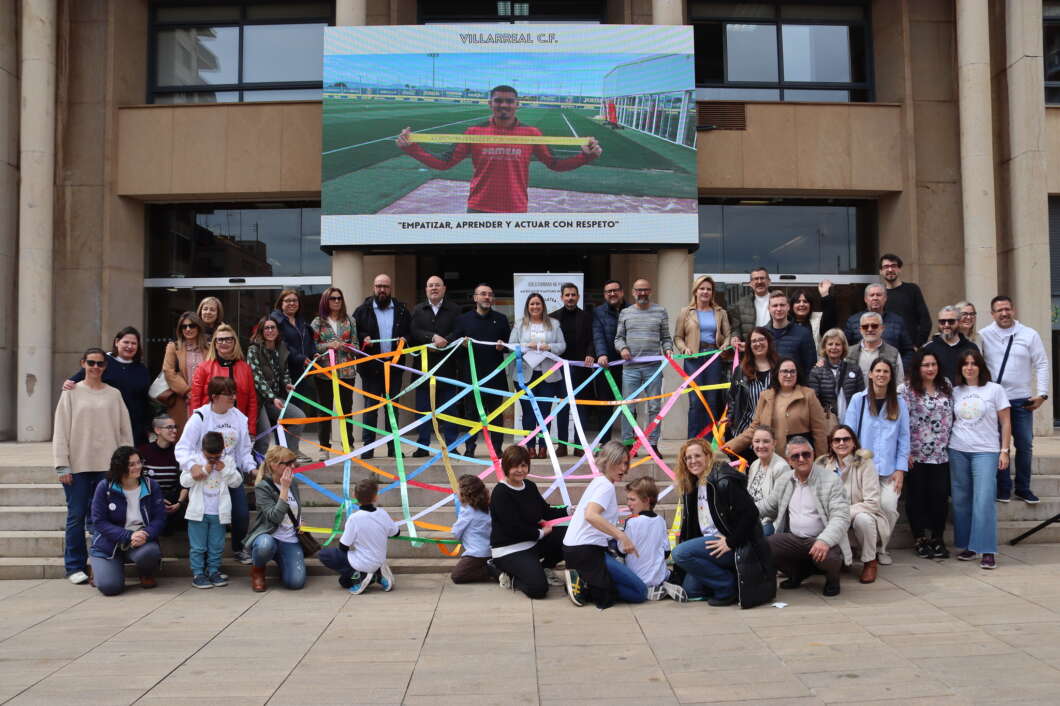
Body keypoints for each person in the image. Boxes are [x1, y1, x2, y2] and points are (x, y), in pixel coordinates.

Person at [395, 84, 601, 213]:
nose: (504, 105)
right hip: (478, 208)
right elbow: (445, 163)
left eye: (509, 101)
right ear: (490, 103)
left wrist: (585, 157)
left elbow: (554, 164)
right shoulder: (473, 132)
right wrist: (412, 148)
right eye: (498, 101)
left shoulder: (532, 133)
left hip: (516, 209)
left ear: (517, 104)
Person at [53, 347, 134, 585]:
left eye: (100, 363)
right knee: (76, 516)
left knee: (105, 518)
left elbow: (124, 431)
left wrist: (127, 462)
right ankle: (75, 566)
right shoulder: (70, 393)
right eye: (91, 363)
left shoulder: (114, 394)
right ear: (83, 364)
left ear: (105, 367)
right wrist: (61, 465)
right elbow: (60, 430)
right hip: (77, 465)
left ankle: (102, 561)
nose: (96, 367)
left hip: (107, 467)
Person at [670, 438, 776, 608]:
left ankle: (727, 586)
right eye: (688, 458)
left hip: (735, 546)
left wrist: (730, 541)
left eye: (697, 456)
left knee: (680, 554)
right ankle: (729, 578)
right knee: (690, 590)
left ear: (708, 456)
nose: (692, 461)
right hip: (710, 544)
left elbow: (751, 514)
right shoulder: (692, 485)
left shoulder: (724, 480)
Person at [176, 376, 258, 565]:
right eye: (228, 395)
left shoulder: (238, 417)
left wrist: (252, 469)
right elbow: (182, 448)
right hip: (205, 474)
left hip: (228, 472)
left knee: (240, 513)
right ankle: (203, 556)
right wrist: (192, 466)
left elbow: (244, 451)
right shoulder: (200, 417)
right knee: (207, 516)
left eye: (234, 394)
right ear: (214, 396)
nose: (233, 398)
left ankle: (238, 548)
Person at [757, 436, 850, 597]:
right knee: (765, 545)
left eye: (806, 454)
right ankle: (797, 574)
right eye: (795, 456)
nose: (801, 459)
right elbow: (768, 506)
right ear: (789, 461)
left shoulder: (831, 480)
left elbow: (840, 517)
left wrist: (825, 540)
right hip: (794, 539)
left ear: (813, 455)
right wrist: (741, 511)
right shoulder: (785, 479)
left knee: (830, 556)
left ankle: (832, 580)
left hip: (821, 539)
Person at [980, 295, 1049, 504]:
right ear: (992, 314)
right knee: (999, 446)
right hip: (995, 402)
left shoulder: (1029, 334)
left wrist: (1042, 394)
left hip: (1021, 400)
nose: (1004, 313)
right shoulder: (983, 335)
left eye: (1007, 309)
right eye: (999, 310)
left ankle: (1023, 488)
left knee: (1025, 444)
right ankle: (1003, 488)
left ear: (1014, 310)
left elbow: (1043, 364)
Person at [562, 441, 647, 609]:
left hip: (576, 549)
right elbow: (591, 515)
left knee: (611, 589)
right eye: (619, 463)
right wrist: (621, 536)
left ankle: (586, 581)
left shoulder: (600, 482)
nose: (624, 469)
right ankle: (585, 582)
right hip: (586, 551)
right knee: (640, 592)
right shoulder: (605, 486)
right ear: (607, 462)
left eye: (626, 463)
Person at [843, 358, 909, 565]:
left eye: (886, 372)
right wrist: (849, 466)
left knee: (888, 507)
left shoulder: (899, 403)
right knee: (861, 509)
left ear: (891, 377)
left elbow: (904, 438)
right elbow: (848, 435)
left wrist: (901, 469)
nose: (881, 375)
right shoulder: (858, 400)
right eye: (877, 371)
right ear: (870, 374)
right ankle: (864, 548)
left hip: (889, 469)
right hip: (861, 469)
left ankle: (881, 548)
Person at [950, 350, 1011, 569]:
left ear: (980, 367)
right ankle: (969, 546)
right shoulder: (955, 391)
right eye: (965, 364)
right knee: (961, 500)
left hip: (986, 451)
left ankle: (987, 549)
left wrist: (1004, 450)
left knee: (984, 500)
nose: (969, 367)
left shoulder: (995, 390)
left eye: (974, 363)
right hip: (957, 449)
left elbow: (1005, 422)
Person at [488, 445, 568, 599]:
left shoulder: (530, 486)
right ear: (506, 467)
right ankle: (500, 571)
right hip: (509, 549)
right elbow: (512, 529)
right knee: (538, 589)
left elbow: (545, 511)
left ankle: (544, 567)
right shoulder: (500, 493)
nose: (520, 470)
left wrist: (570, 510)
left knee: (568, 535)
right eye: (515, 466)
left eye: (523, 465)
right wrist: (540, 533)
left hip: (532, 543)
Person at [88, 446, 166, 595]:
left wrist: (146, 533)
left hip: (140, 540)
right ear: (120, 466)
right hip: (109, 542)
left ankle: (145, 573)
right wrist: (128, 535)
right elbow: (99, 521)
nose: (138, 467)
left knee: (150, 552)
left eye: (139, 462)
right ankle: (99, 568)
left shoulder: (151, 486)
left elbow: (160, 518)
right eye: (132, 464)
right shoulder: (105, 487)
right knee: (110, 588)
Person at [817, 425, 887, 584]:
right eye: (836, 440)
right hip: (831, 515)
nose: (841, 443)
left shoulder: (865, 463)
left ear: (854, 443)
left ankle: (870, 562)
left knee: (864, 519)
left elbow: (872, 503)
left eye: (846, 439)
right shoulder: (823, 464)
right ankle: (835, 559)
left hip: (859, 513)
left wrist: (843, 513)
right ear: (831, 444)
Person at [901, 350, 954, 559]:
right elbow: (901, 422)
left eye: (933, 364)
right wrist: (904, 452)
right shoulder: (906, 389)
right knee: (917, 497)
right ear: (918, 367)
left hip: (941, 454)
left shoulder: (946, 386)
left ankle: (938, 538)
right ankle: (920, 538)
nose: (930, 369)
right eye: (925, 365)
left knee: (940, 496)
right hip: (915, 454)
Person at [353, 273, 412, 458]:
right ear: (373, 287)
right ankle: (367, 448)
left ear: (390, 288)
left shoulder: (402, 310)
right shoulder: (362, 310)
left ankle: (393, 448)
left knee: (392, 408)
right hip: (371, 369)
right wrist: (364, 338)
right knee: (371, 408)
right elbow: (355, 333)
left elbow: (410, 332)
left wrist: (405, 339)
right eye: (379, 286)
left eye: (385, 286)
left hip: (393, 368)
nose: (382, 290)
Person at [614, 278, 673, 454]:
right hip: (630, 368)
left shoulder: (661, 311)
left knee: (654, 407)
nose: (642, 293)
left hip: (653, 368)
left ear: (650, 291)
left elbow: (666, 337)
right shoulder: (625, 313)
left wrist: (668, 350)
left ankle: (653, 444)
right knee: (627, 406)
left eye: (645, 290)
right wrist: (622, 348)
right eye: (639, 290)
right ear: (633, 292)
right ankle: (627, 443)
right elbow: (618, 338)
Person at [451, 283, 511, 457]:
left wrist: (503, 346)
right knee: (471, 414)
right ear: (475, 298)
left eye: (490, 294)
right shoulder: (463, 320)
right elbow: (455, 346)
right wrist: (462, 344)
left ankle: (497, 449)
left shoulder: (500, 319)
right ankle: (470, 448)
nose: (487, 297)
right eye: (483, 294)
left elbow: (509, 344)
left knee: (496, 415)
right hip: (471, 376)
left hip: (494, 376)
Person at [65, 326, 152, 445]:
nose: (130, 346)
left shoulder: (141, 369)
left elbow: (145, 399)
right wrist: (68, 383)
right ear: (117, 342)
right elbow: (77, 379)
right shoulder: (103, 362)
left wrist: (147, 425)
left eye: (134, 343)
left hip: (135, 425)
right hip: (107, 422)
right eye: (126, 342)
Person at [729, 357, 828, 458]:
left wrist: (821, 461)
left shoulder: (808, 395)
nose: (789, 375)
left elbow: (819, 431)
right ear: (777, 373)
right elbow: (754, 428)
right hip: (773, 461)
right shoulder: (765, 396)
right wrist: (729, 447)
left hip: (801, 460)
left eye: (792, 371)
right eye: (784, 371)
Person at [181, 431, 243, 588]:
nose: (214, 460)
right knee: (198, 546)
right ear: (203, 450)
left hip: (219, 512)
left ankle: (214, 571)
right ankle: (198, 574)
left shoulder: (227, 461)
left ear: (223, 450)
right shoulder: (194, 460)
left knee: (216, 545)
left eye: (217, 456)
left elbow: (236, 482)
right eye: (210, 457)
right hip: (198, 513)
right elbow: (184, 481)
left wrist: (224, 470)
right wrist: (201, 471)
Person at [509, 292, 567, 458]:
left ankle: (543, 447)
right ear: (527, 307)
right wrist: (527, 345)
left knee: (545, 413)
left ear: (543, 306)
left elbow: (562, 345)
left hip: (548, 376)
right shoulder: (519, 325)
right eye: (532, 304)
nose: (535, 307)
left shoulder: (554, 324)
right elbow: (511, 346)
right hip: (525, 375)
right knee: (528, 413)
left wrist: (549, 347)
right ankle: (530, 447)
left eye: (538, 304)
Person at [409, 275, 462, 455]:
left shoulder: (455, 310)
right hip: (423, 371)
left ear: (444, 289)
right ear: (426, 290)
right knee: (423, 411)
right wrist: (431, 338)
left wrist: (446, 341)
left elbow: (459, 331)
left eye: (437, 285)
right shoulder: (417, 310)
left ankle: (452, 446)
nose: (434, 288)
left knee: (449, 410)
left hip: (447, 370)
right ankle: (423, 447)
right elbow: (413, 331)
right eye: (430, 285)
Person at [318, 476, 399, 593]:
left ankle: (362, 576)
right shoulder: (383, 514)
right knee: (343, 582)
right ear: (376, 497)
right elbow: (396, 533)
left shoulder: (354, 519)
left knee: (324, 554)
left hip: (361, 562)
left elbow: (343, 546)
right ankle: (376, 575)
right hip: (379, 560)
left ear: (354, 496)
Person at [674, 275, 731, 439]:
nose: (705, 292)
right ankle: (693, 441)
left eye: (709, 289)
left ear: (712, 293)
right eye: (702, 288)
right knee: (696, 402)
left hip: (713, 359)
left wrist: (724, 345)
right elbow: (677, 337)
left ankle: (708, 441)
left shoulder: (720, 312)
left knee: (712, 401)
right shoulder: (686, 312)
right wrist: (684, 348)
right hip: (693, 360)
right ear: (696, 291)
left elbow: (728, 335)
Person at [244, 446, 306, 592]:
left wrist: (299, 521)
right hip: (269, 535)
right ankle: (258, 570)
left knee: (296, 583)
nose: (292, 466)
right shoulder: (263, 487)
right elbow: (275, 517)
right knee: (265, 545)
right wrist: (284, 489)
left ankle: (281, 559)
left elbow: (295, 508)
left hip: (289, 538)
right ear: (274, 465)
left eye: (294, 462)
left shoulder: (293, 483)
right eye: (288, 463)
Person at [246, 315, 306, 455]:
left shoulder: (281, 348)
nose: (270, 330)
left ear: (278, 330)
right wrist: (272, 397)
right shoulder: (253, 350)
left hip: (275, 399)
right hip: (258, 401)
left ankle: (286, 457)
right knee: (265, 437)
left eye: (273, 327)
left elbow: (284, 371)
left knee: (299, 418)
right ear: (261, 331)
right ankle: (254, 469)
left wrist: (287, 384)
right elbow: (256, 378)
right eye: (266, 328)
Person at [310, 286, 357, 457]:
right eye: (333, 298)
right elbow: (312, 346)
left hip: (347, 373)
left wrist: (347, 346)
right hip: (325, 373)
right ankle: (324, 447)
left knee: (346, 409)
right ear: (326, 301)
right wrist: (328, 345)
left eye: (339, 298)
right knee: (325, 410)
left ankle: (348, 445)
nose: (337, 301)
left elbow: (357, 346)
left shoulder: (350, 321)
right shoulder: (317, 322)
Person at [549, 282, 595, 456]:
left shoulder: (587, 317)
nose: (570, 298)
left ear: (578, 297)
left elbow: (592, 339)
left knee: (580, 408)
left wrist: (591, 353)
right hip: (559, 369)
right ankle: (561, 445)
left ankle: (579, 445)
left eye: (573, 295)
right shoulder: (552, 318)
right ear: (561, 297)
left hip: (581, 369)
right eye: (567, 295)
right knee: (562, 408)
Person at [622, 476, 685, 601]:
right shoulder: (660, 521)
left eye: (632, 499)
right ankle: (663, 585)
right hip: (658, 577)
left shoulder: (631, 522)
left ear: (646, 500)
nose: (628, 503)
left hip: (636, 579)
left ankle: (649, 591)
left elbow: (621, 549)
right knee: (668, 571)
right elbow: (666, 552)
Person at [188, 323, 258, 436]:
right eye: (220, 340)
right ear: (215, 344)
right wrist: (196, 427)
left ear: (235, 342)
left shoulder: (245, 368)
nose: (224, 343)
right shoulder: (203, 368)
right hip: (210, 426)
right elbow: (195, 399)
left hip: (237, 425)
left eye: (228, 339)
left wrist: (251, 430)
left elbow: (252, 401)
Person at [726, 328, 779, 462]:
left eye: (761, 339)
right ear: (749, 346)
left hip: (773, 431)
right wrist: (729, 418)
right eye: (753, 341)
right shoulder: (741, 370)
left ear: (769, 342)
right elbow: (732, 398)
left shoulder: (779, 368)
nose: (758, 343)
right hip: (745, 431)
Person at [137, 414, 186, 535]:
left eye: (175, 427)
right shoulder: (143, 452)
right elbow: (136, 481)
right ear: (157, 430)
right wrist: (156, 499)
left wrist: (178, 503)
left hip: (174, 501)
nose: (174, 430)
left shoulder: (180, 452)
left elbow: (185, 482)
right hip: (149, 500)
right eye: (169, 427)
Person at [591, 280, 627, 442]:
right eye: (608, 292)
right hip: (606, 366)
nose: (612, 294)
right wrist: (601, 354)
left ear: (622, 292)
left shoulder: (632, 310)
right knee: (605, 406)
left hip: (628, 366)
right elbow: (597, 335)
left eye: (615, 290)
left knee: (629, 406)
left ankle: (629, 443)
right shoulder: (598, 312)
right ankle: (604, 443)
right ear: (605, 295)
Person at [162, 312, 208, 435]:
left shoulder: (208, 348)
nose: (188, 329)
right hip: (181, 401)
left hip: (205, 401)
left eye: (192, 325)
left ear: (198, 327)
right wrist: (188, 391)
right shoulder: (173, 347)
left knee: (204, 438)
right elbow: (169, 371)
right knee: (181, 437)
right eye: (184, 326)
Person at [806, 328, 865, 425]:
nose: (834, 347)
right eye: (830, 344)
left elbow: (861, 398)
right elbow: (814, 401)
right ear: (824, 347)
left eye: (837, 344)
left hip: (852, 420)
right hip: (828, 422)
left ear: (843, 347)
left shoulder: (855, 369)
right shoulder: (816, 372)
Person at [844, 284, 914, 365]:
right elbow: (845, 348)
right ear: (865, 299)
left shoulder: (897, 321)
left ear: (885, 299)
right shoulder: (853, 321)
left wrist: (898, 368)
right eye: (872, 295)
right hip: (859, 372)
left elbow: (908, 351)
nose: (875, 298)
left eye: (879, 295)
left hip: (889, 373)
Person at [271, 288, 316, 411]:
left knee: (298, 409)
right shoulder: (275, 322)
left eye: (295, 300)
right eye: (288, 300)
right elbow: (282, 344)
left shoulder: (301, 321)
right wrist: (300, 358)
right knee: (288, 411)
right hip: (285, 373)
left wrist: (313, 353)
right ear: (281, 303)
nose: (292, 303)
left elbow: (308, 340)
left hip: (301, 373)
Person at [449, 475, 495, 584]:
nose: (456, 493)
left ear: (465, 494)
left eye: (458, 490)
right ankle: (492, 567)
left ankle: (492, 571)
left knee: (457, 575)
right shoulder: (487, 508)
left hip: (476, 554)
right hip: (490, 551)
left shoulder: (467, 511)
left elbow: (456, 532)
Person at [746, 426, 791, 534]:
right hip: (750, 517)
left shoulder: (781, 467)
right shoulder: (754, 464)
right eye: (757, 441)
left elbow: (775, 506)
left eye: (766, 441)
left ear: (774, 443)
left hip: (769, 522)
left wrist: (748, 512)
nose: (761, 446)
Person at [880, 254, 932, 346]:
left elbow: (925, 321)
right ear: (880, 271)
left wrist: (917, 346)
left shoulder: (912, 290)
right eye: (886, 267)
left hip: (910, 349)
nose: (890, 270)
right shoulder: (879, 294)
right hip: (886, 349)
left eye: (893, 266)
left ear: (900, 269)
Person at [921, 305, 979, 386]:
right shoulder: (928, 348)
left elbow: (979, 374)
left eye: (951, 321)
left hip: (965, 395)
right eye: (942, 322)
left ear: (958, 322)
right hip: (939, 396)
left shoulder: (971, 347)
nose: (946, 325)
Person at [763, 290, 816, 374]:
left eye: (782, 305)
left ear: (788, 307)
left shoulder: (803, 333)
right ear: (769, 309)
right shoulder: (762, 334)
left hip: (795, 385)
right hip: (768, 386)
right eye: (775, 306)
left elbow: (810, 366)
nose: (779, 309)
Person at [846, 312, 904, 383]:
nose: (869, 329)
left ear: (882, 328)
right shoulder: (848, 353)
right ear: (860, 330)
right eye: (865, 326)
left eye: (874, 326)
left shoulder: (893, 353)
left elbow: (899, 383)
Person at [727, 267, 772, 350]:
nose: (759, 281)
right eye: (756, 279)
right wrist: (735, 337)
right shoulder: (741, 304)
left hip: (773, 348)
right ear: (751, 283)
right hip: (750, 350)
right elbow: (736, 328)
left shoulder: (778, 302)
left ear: (769, 281)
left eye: (762, 278)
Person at [789, 283, 837, 350]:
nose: (802, 304)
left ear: (810, 305)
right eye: (797, 302)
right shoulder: (786, 322)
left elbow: (829, 320)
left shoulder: (818, 319)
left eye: (805, 301)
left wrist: (825, 295)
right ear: (792, 306)